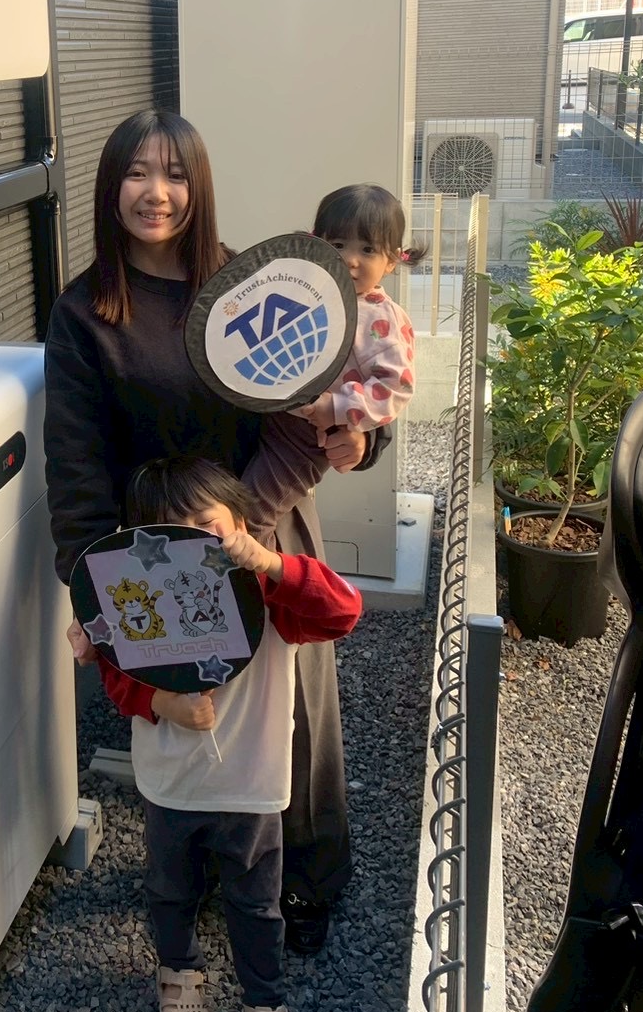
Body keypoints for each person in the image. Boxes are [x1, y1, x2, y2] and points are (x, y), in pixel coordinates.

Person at [42, 108, 385, 954]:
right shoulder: (84, 314)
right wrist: (91, 587)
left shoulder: (245, 283)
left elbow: (330, 379)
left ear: (198, 186)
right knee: (185, 711)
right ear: (110, 185)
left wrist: (364, 440)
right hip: (159, 554)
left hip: (265, 527)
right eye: (137, 172)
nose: (155, 192)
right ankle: (194, 876)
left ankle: (305, 875)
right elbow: (76, 468)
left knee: (292, 716)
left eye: (174, 173)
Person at [95, 457, 361, 1012]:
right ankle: (179, 974)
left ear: (240, 521)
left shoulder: (268, 595)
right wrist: (163, 703)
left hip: (252, 784)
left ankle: (265, 1007)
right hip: (171, 783)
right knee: (170, 888)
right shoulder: (139, 602)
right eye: (170, 532)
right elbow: (115, 673)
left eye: (204, 522)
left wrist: (272, 564)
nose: (191, 540)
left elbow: (343, 611)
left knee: (257, 902)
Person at [291, 183, 421, 437]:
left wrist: (339, 407)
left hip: (320, 430)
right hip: (274, 417)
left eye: (368, 250)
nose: (349, 260)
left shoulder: (380, 317)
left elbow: (396, 386)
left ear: (391, 261)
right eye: (338, 245)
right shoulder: (306, 293)